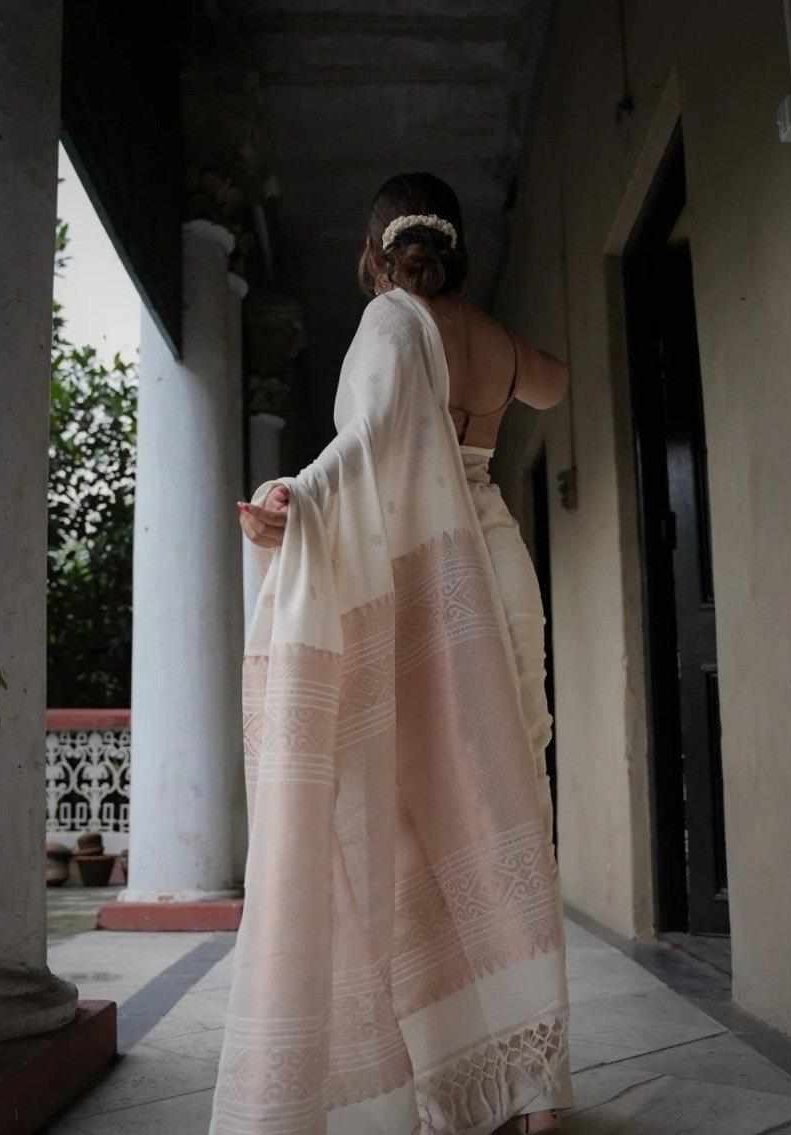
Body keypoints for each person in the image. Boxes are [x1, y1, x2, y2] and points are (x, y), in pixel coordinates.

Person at [214, 173, 571, 1135]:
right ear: (455, 251)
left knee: (420, 809)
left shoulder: (388, 324)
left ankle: (445, 1066)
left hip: (429, 576)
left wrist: (295, 497)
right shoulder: (487, 337)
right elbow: (555, 383)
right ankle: (531, 1088)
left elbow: (369, 440)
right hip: (499, 568)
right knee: (510, 804)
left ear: (372, 253)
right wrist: (493, 347)